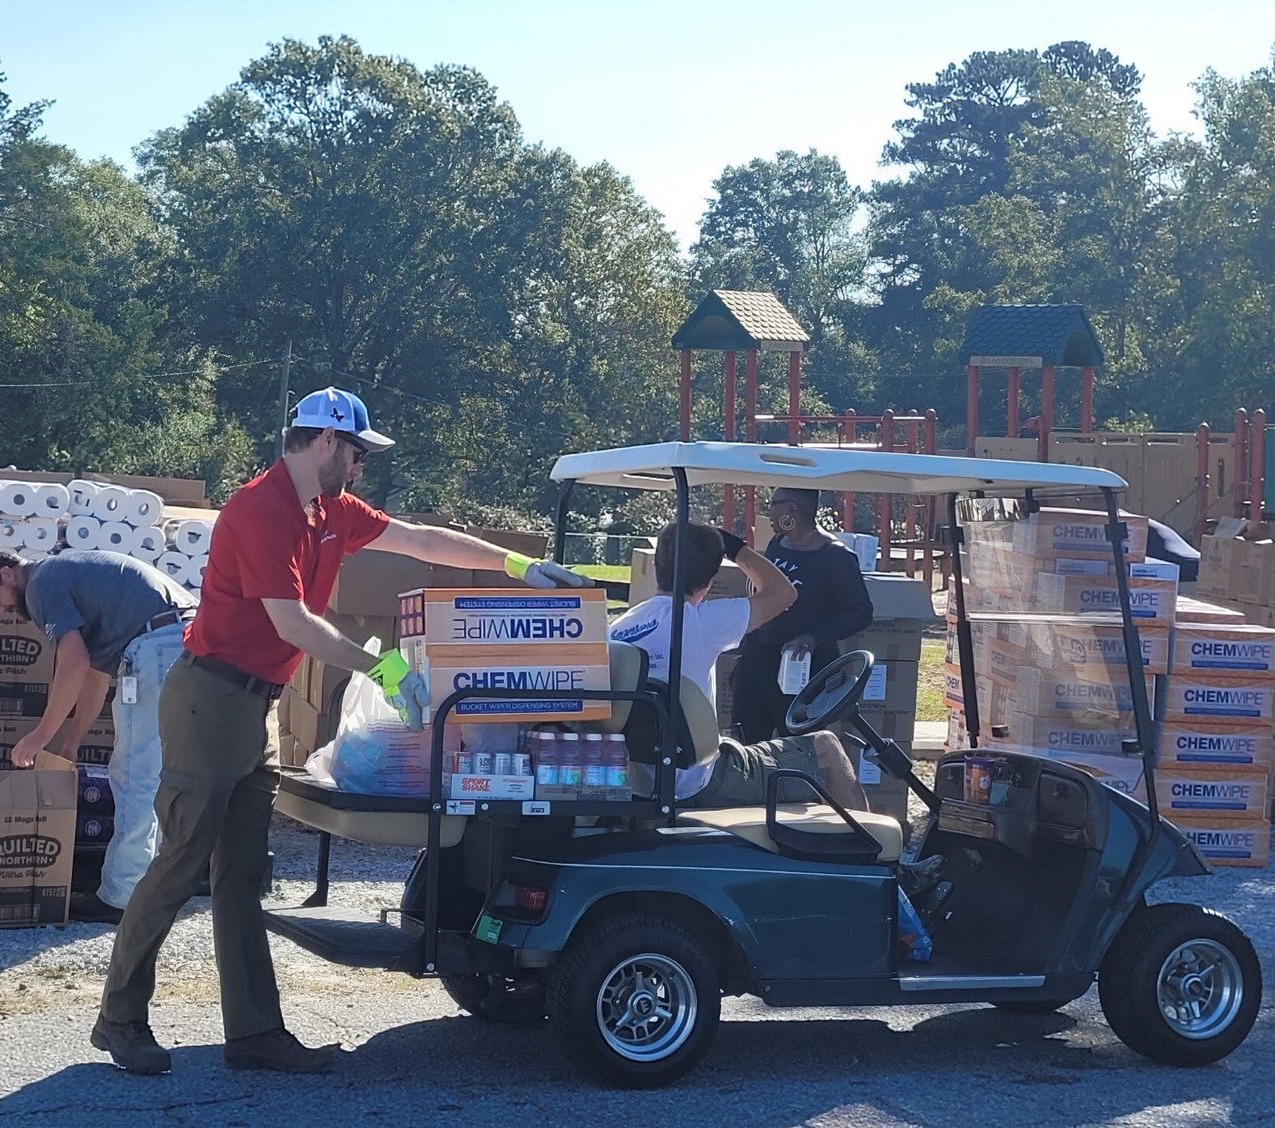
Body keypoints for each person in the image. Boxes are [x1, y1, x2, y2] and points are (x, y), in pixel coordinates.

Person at [92, 386, 587, 1077]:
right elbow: (289, 620)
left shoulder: (327, 510)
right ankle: (118, 1017)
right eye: (356, 453)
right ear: (324, 442)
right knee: (180, 862)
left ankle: (255, 1034)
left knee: (242, 875)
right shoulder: (261, 509)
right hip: (210, 698)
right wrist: (382, 668)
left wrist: (517, 565)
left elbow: (419, 539)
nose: (360, 467)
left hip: (251, 703)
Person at [0, 548, 197, 925]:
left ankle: (123, 898)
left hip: (157, 647)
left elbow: (72, 661)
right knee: (161, 775)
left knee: (133, 777)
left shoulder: (41, 584)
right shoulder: (66, 576)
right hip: (183, 640)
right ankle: (155, 887)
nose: (1, 611)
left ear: (7, 574)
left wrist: (40, 736)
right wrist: (71, 741)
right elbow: (94, 675)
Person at [609, 521, 866, 810]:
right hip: (699, 781)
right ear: (711, 577)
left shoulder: (620, 628)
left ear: (658, 565)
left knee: (737, 746)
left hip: (642, 781)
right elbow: (784, 593)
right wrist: (737, 550)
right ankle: (873, 846)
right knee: (827, 746)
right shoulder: (700, 621)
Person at [731, 488, 874, 744]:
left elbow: (859, 611)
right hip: (757, 663)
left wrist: (812, 638)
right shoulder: (777, 544)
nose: (769, 512)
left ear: (792, 510)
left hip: (802, 671)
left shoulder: (834, 556)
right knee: (747, 742)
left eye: (773, 504)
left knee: (799, 746)